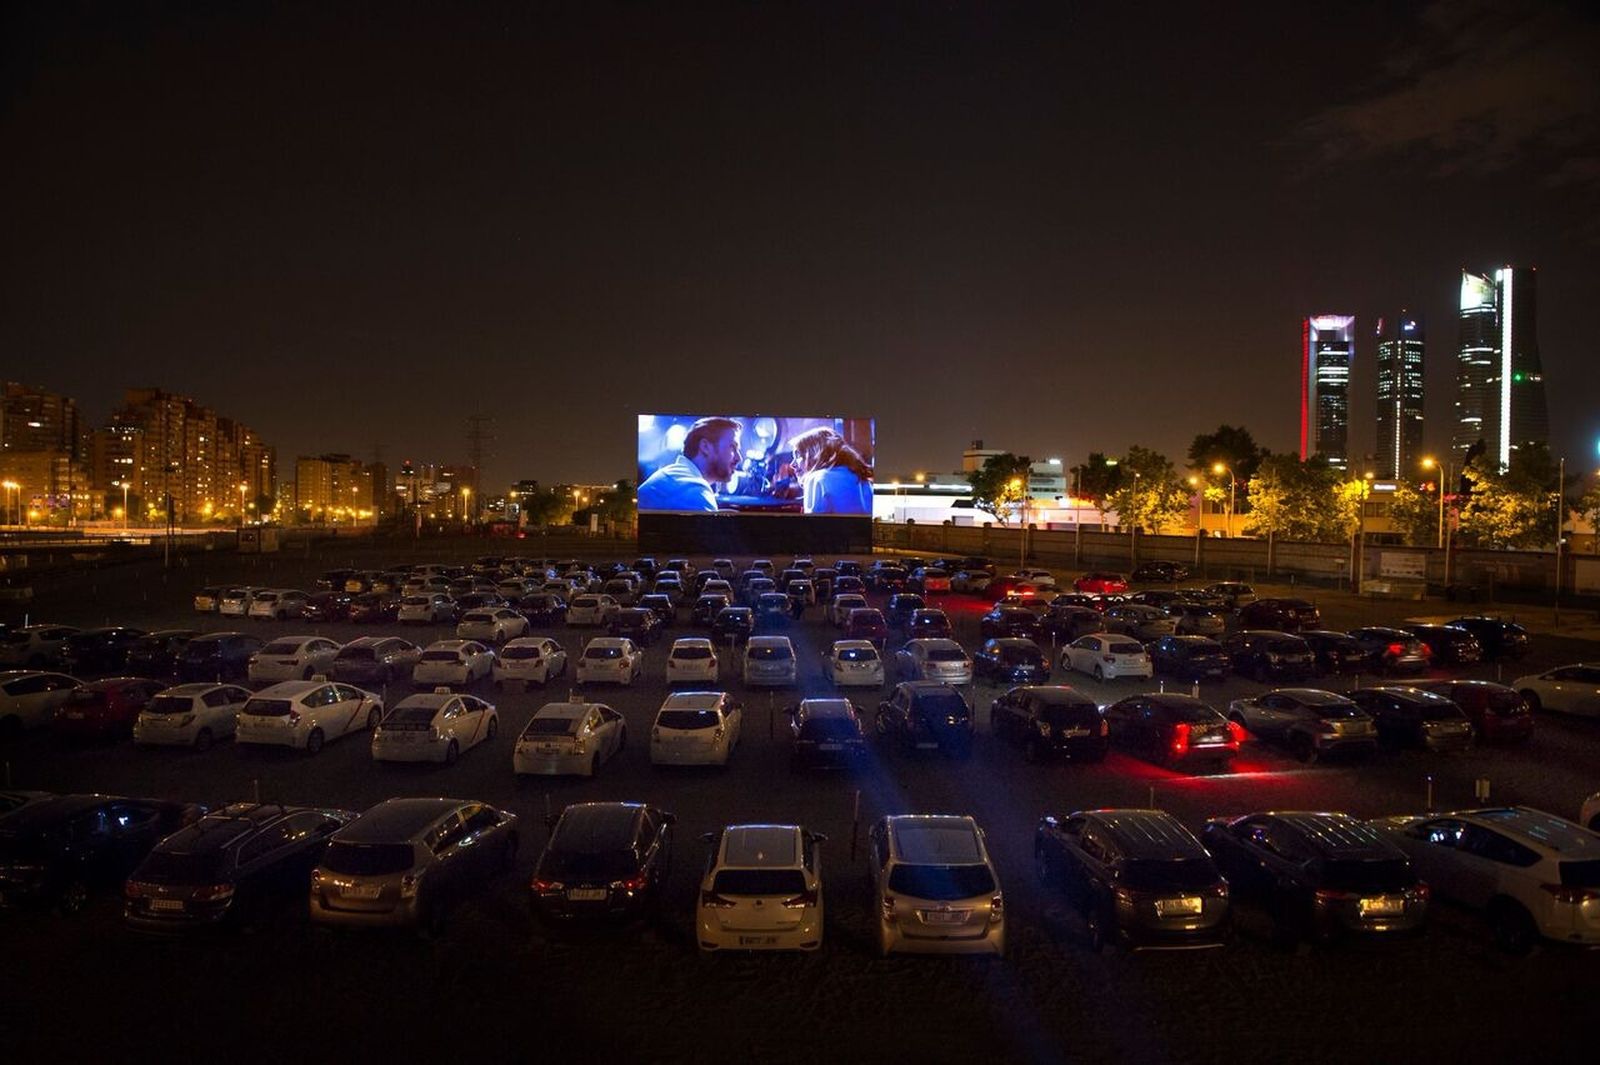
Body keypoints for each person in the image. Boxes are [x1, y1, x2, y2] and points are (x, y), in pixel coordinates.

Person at [636, 417, 742, 512]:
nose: (739, 458)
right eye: (732, 447)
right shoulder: (693, 489)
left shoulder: (677, 477)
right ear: (705, 447)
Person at [789, 426, 873, 515]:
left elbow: (813, 526)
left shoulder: (816, 478)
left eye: (798, 456)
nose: (792, 464)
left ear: (814, 454)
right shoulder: (859, 476)